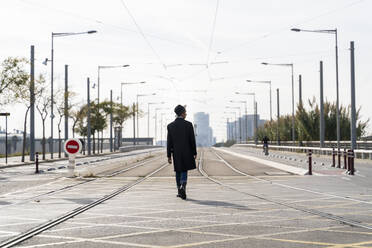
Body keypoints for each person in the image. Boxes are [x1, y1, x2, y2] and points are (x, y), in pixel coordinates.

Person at [167, 105, 197, 200]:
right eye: (185, 112)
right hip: (187, 151)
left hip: (176, 152)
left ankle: (179, 190)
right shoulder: (188, 124)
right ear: (182, 113)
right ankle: (183, 185)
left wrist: (169, 155)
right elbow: (192, 140)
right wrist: (194, 152)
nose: (186, 114)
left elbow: (169, 142)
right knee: (184, 169)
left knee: (178, 170)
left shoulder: (170, 126)